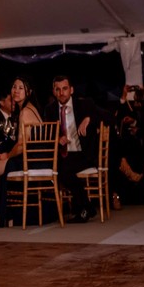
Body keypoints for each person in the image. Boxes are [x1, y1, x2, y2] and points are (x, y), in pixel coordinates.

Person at [0, 77, 44, 227]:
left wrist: (6, 156)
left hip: (32, 161)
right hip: (32, 158)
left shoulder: (26, 112)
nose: (16, 90)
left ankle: (4, 215)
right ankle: (4, 214)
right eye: (14, 87)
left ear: (29, 91)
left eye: (21, 88)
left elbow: (22, 145)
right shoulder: (29, 108)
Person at [42, 75, 100, 223]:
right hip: (63, 154)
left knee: (63, 170)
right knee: (60, 167)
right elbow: (46, 134)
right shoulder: (49, 110)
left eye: (65, 88)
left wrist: (88, 119)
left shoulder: (84, 104)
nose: (62, 92)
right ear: (54, 92)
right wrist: (57, 139)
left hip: (84, 154)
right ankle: (86, 208)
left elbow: (105, 116)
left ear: (72, 90)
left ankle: (83, 208)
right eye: (58, 89)